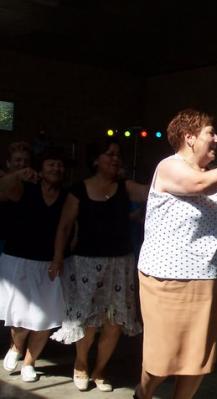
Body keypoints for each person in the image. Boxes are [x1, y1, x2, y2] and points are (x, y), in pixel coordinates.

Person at [135, 108, 217, 399]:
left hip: (208, 279)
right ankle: (143, 393)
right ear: (189, 137)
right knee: (161, 360)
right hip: (167, 280)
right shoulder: (169, 167)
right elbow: (200, 185)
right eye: (211, 133)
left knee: (198, 359)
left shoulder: (216, 176)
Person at [50, 137, 147, 392]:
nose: (115, 159)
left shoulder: (125, 186)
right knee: (89, 320)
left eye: (118, 155)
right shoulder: (79, 189)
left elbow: (153, 193)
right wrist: (57, 258)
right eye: (109, 154)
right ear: (95, 160)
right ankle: (81, 364)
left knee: (114, 322)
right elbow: (64, 226)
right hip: (85, 264)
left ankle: (100, 369)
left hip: (120, 264)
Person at [0, 148, 67, 383]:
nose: (56, 168)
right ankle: (16, 347)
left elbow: (68, 228)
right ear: (40, 168)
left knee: (44, 318)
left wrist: (59, 258)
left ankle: (30, 362)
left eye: (59, 165)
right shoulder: (24, 188)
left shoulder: (66, 196)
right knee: (20, 316)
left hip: (50, 264)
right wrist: (18, 174)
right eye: (51, 163)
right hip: (19, 260)